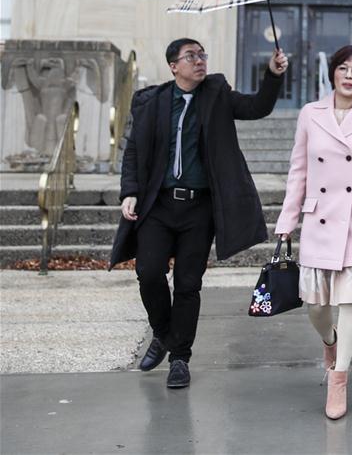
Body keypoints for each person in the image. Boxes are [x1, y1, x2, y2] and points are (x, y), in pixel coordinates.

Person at [109, 37, 288, 389]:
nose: (200, 60)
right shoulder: (151, 102)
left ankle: (179, 359)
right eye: (191, 56)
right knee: (148, 273)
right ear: (173, 66)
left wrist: (272, 75)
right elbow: (132, 152)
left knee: (189, 284)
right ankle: (163, 334)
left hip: (198, 208)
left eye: (203, 54)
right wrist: (129, 192)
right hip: (158, 205)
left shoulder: (217, 93)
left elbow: (257, 107)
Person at [275, 45, 352, 420]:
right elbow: (299, 171)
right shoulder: (310, 113)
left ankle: (339, 379)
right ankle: (330, 341)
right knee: (317, 306)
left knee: (351, 300)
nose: (349, 75)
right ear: (333, 73)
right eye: (343, 68)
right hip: (319, 218)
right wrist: (287, 222)